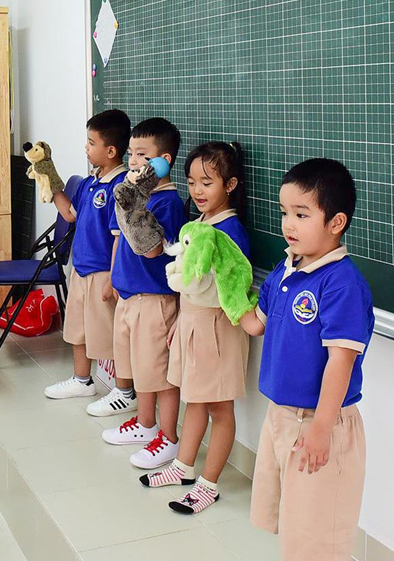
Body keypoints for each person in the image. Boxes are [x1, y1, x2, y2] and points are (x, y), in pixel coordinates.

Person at [240, 158, 373, 560]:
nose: (288, 224)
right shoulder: (287, 267)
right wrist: (217, 284)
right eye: (284, 212)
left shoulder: (342, 283)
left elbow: (341, 362)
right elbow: (255, 323)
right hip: (280, 416)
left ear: (336, 223)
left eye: (301, 214)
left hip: (321, 423)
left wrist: (320, 427)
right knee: (293, 529)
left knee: (318, 539)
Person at [143, 142, 252, 515]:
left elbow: (225, 288)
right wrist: (181, 322)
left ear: (231, 184)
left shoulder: (230, 230)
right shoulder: (200, 224)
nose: (198, 191)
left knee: (219, 406)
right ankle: (183, 467)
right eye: (191, 182)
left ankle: (209, 484)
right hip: (192, 324)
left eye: (207, 182)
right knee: (195, 399)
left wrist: (194, 320)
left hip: (217, 329)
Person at [99, 118, 187, 477]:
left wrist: (134, 205)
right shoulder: (137, 195)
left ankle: (168, 436)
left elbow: (151, 250)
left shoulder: (167, 202)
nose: (133, 161)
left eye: (142, 155)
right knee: (139, 371)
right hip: (130, 298)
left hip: (154, 300)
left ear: (163, 160)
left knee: (159, 376)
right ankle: (146, 423)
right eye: (131, 153)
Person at [42, 109, 130, 401]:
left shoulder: (120, 187)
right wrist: (50, 178)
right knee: (76, 330)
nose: (86, 147)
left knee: (110, 335)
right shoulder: (91, 182)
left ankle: (124, 390)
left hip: (103, 272)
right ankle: (82, 380)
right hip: (80, 269)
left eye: (91, 143)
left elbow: (119, 238)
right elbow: (69, 214)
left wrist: (114, 278)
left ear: (111, 150)